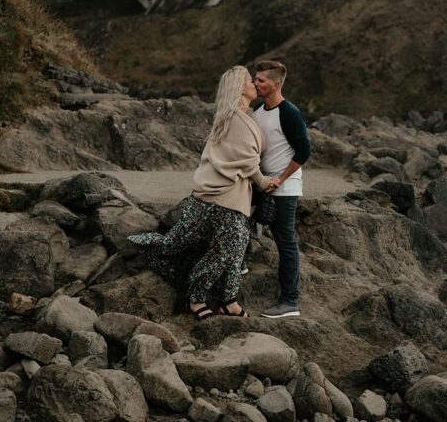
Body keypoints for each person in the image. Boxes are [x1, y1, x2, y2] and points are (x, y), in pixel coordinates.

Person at [128, 66, 280, 320]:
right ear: (238, 87)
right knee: (207, 248)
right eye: (248, 80)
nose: (254, 82)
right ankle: (196, 297)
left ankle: (229, 299)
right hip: (220, 196)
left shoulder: (245, 115)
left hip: (234, 197)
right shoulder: (234, 117)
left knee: (235, 248)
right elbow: (247, 161)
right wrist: (264, 183)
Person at [251, 60, 311, 319]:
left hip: (284, 188)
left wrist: (281, 178)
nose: (256, 83)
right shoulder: (257, 110)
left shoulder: (289, 113)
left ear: (276, 84)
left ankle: (290, 301)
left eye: (261, 80)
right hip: (261, 183)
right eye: (256, 79)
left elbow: (304, 151)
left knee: (285, 243)